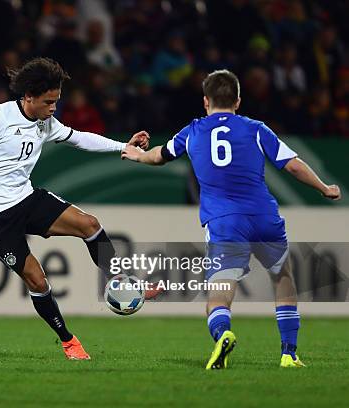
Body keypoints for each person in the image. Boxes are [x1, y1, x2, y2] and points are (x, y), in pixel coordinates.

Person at [121, 69, 341, 369]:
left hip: (224, 222)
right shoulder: (255, 128)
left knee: (220, 292)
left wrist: (135, 155)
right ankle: (289, 353)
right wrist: (324, 187)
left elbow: (160, 155)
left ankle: (223, 334)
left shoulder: (194, 130)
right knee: (283, 278)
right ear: (237, 101)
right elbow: (292, 164)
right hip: (263, 216)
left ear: (205, 101)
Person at [0, 57, 149, 360]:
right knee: (37, 280)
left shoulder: (46, 121)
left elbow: (78, 138)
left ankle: (117, 281)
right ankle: (68, 341)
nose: (53, 107)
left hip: (26, 198)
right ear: (28, 97)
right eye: (48, 102)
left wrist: (123, 147)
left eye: (57, 100)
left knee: (89, 224)